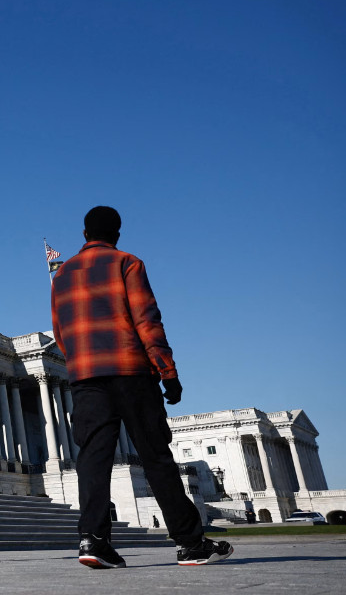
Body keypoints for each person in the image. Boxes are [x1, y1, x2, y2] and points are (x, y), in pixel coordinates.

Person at [51, 206, 233, 568]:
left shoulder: (63, 273)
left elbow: (60, 331)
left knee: (93, 459)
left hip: (85, 376)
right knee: (155, 456)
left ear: (84, 234)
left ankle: (93, 540)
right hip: (130, 370)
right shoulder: (127, 262)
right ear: (117, 234)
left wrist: (81, 364)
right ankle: (190, 543)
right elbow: (147, 319)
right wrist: (168, 371)